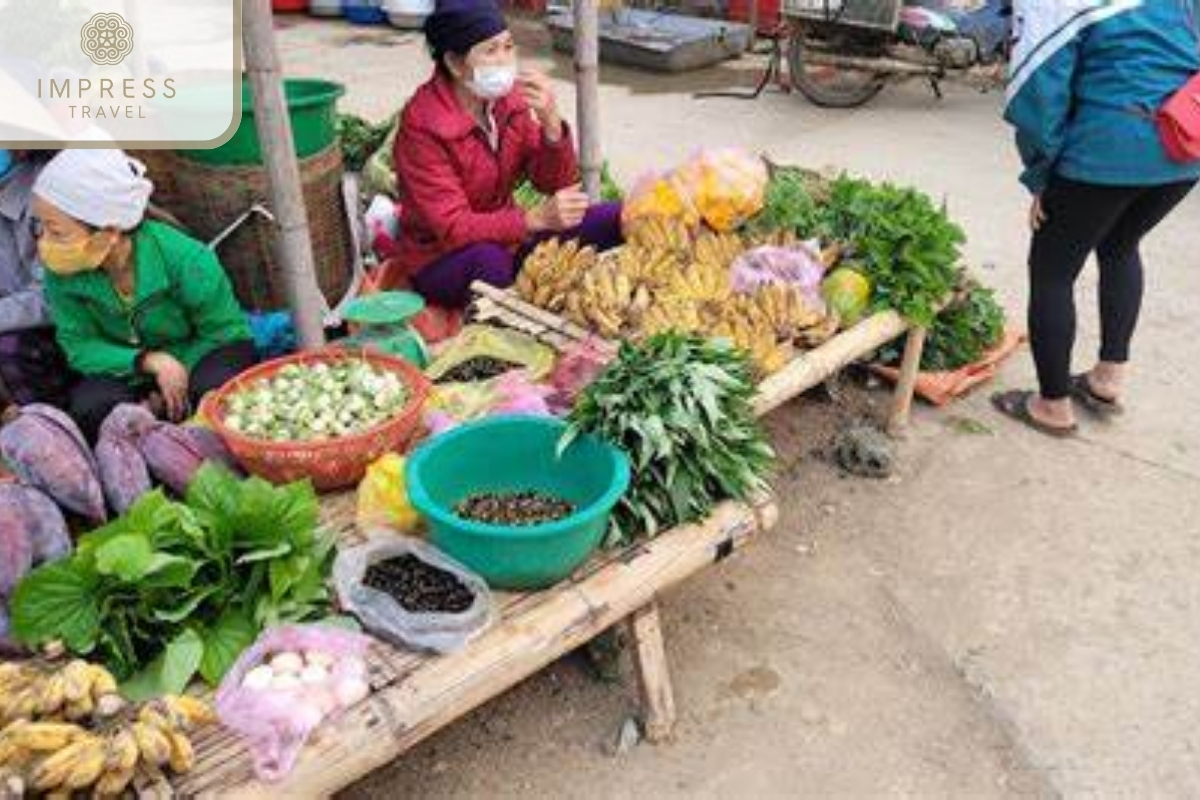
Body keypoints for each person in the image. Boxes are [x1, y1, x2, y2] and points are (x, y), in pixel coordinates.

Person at [994, 0, 1200, 437]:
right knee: (1120, 245)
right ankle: (1107, 378)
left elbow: (1038, 91)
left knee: (1051, 270)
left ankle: (1051, 405)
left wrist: (1041, 175)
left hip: (1110, 145)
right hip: (1183, 149)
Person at [392, 0, 622, 309]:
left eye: (509, 47)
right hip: (442, 257)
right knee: (490, 263)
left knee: (613, 217)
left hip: (511, 239)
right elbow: (453, 227)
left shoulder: (509, 102)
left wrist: (552, 125)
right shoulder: (423, 127)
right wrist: (533, 220)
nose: (504, 60)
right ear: (455, 64)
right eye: (490, 51)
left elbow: (552, 182)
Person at [31, 149, 257, 441]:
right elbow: (79, 345)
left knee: (219, 391)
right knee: (92, 407)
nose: (44, 242)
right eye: (41, 228)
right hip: (126, 369)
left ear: (109, 234)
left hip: (199, 356)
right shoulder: (62, 274)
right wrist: (147, 362)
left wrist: (179, 373)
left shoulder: (186, 258)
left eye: (56, 232)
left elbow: (226, 333)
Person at [0, 149, 74, 413]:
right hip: (16, 315)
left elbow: (53, 297)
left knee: (8, 348)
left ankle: (55, 425)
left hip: (70, 325)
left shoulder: (50, 191)